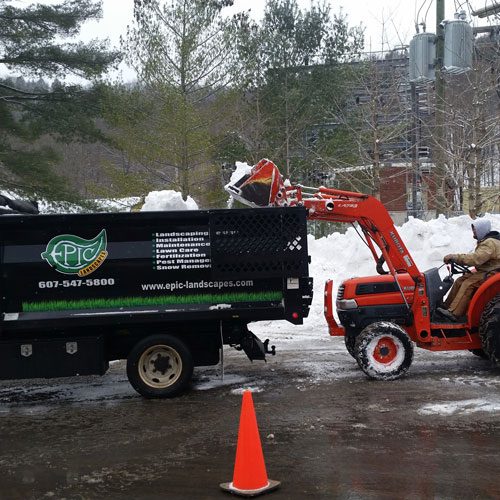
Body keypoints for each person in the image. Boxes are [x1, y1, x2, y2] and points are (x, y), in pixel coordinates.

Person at [437, 218, 500, 322]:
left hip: (492, 272)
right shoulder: (488, 241)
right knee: (459, 281)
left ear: (481, 230)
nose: (473, 232)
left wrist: (455, 257)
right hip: (485, 270)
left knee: (468, 284)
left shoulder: (489, 243)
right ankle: (446, 307)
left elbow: (476, 259)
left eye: (475, 229)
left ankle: (454, 313)